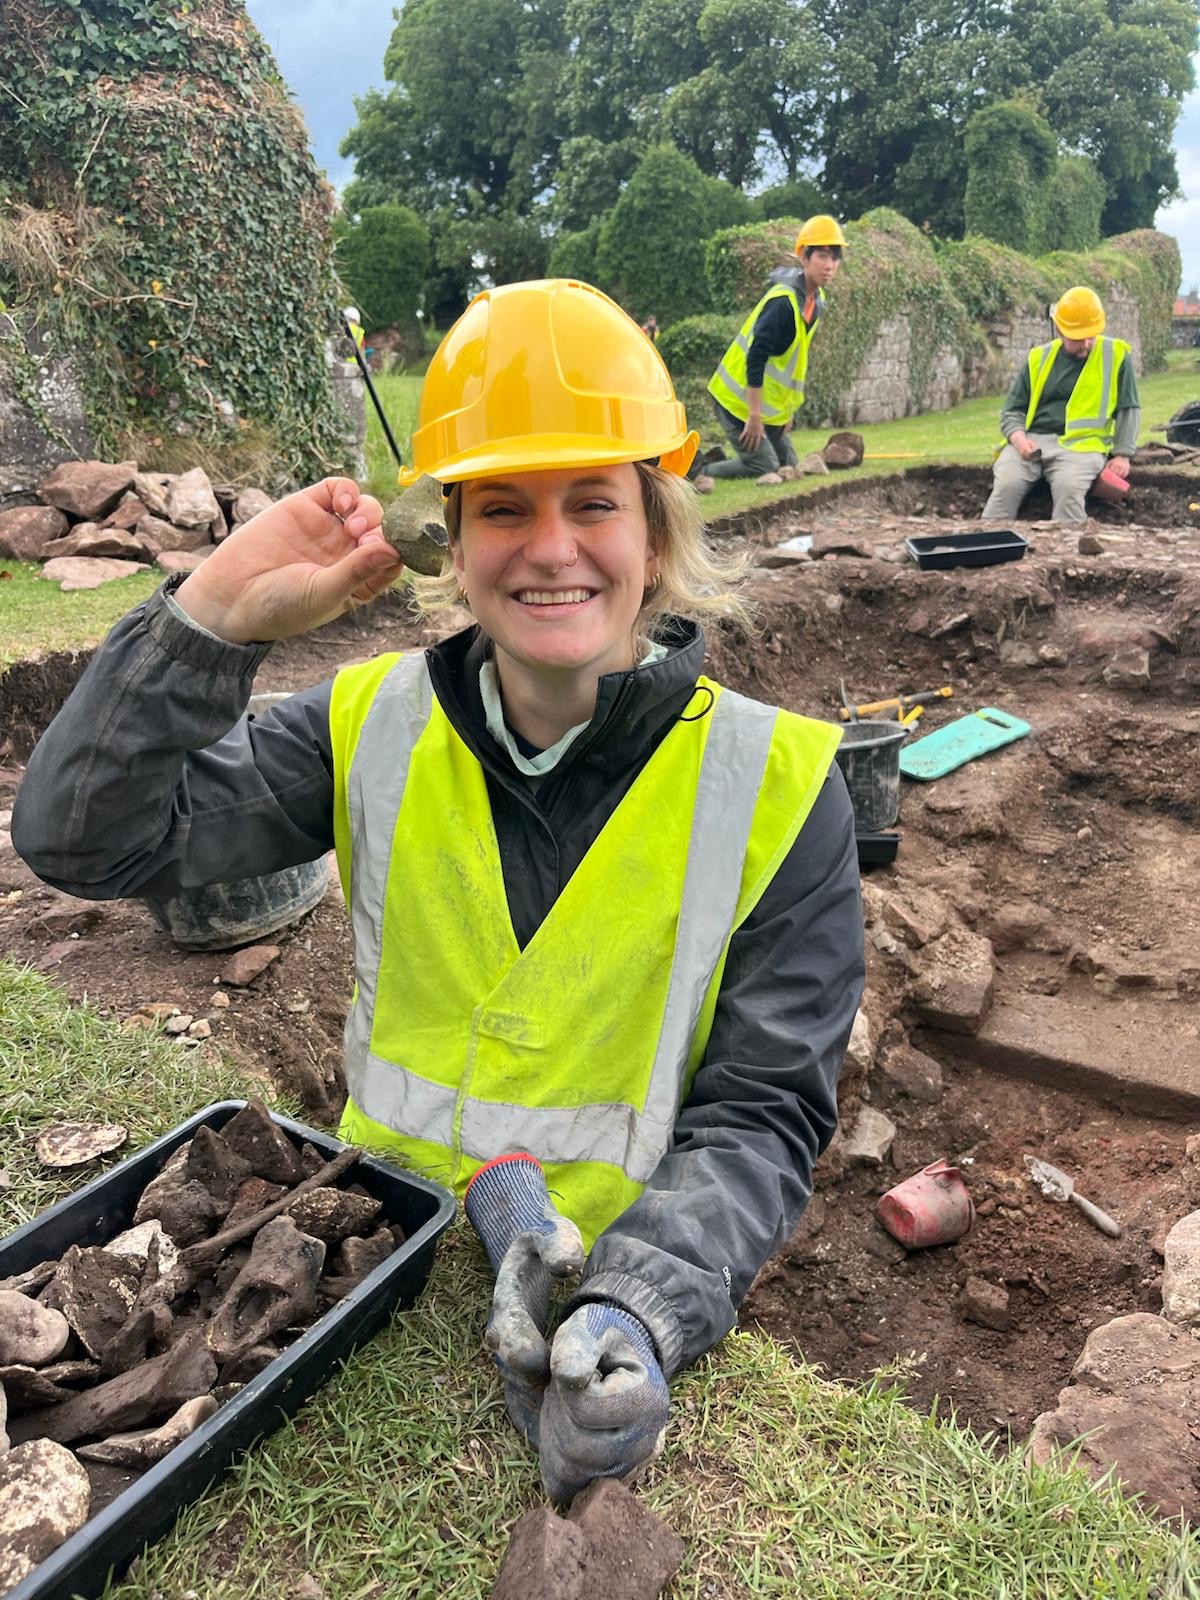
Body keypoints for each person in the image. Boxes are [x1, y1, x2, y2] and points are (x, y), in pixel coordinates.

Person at [12, 278, 864, 1505]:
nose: (552, 546)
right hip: (367, 1260)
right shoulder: (367, 724)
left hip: (605, 1270)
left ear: (657, 530)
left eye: (593, 501)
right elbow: (81, 839)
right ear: (451, 543)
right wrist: (207, 621)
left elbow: (763, 1113)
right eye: (504, 505)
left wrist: (639, 1301)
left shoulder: (781, 786)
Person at [693, 214, 845, 492]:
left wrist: (786, 413)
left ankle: (718, 459)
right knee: (764, 466)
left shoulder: (817, 302)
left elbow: (794, 362)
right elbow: (756, 358)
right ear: (804, 257)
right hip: (735, 402)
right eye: (822, 256)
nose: (829, 265)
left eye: (835, 258)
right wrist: (754, 416)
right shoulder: (782, 303)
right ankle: (700, 471)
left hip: (766, 408)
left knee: (790, 464)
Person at [981, 286, 1140, 525]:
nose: (1086, 344)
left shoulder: (1116, 355)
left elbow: (1129, 408)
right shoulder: (1038, 358)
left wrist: (1122, 455)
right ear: (1059, 331)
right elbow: (1012, 410)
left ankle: (1070, 545)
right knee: (1006, 486)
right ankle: (988, 538)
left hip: (1083, 447)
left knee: (1069, 488)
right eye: (1078, 338)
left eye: (1091, 335)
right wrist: (1019, 440)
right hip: (1032, 442)